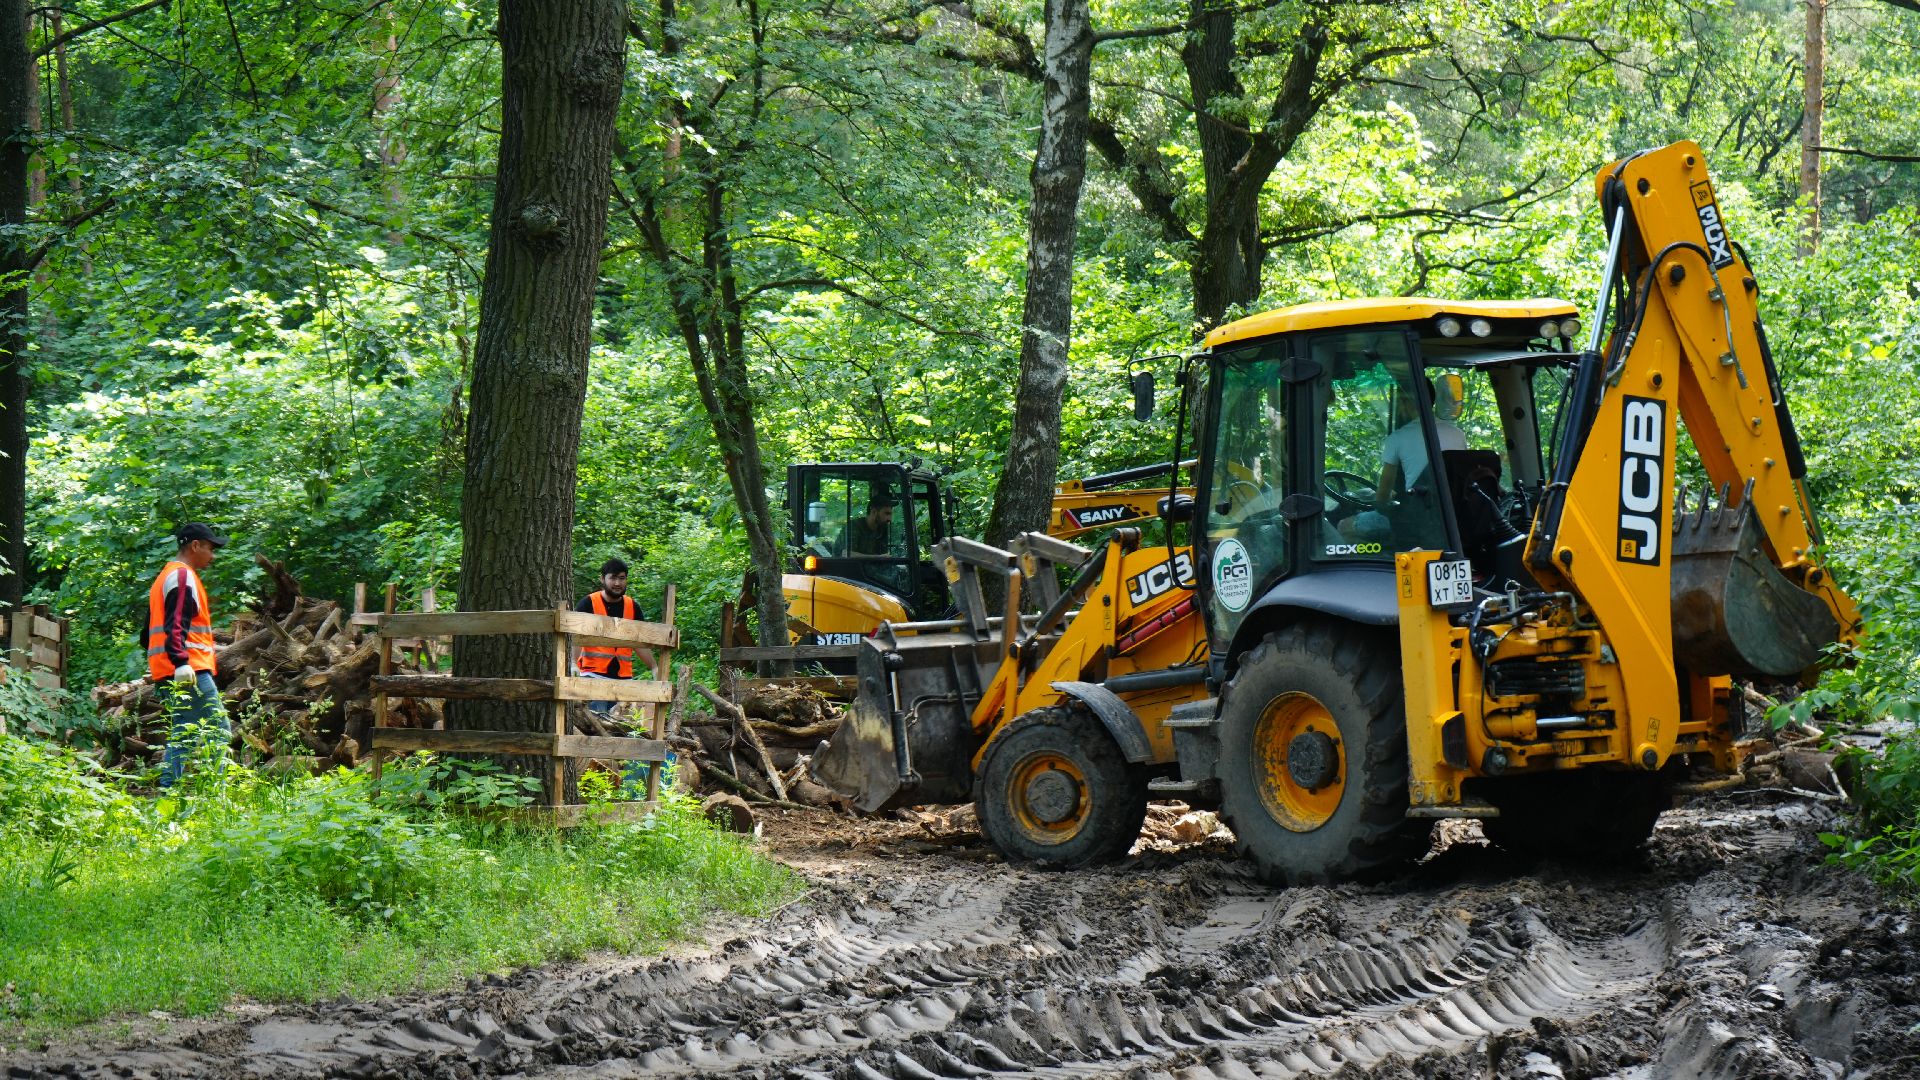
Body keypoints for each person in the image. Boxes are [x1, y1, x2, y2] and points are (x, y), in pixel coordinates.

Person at [149, 522, 230, 787]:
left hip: (169, 669)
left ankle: (169, 793)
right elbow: (176, 624)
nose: (213, 555)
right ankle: (216, 798)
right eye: (210, 548)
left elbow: (146, 632)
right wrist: (181, 661)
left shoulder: (165, 576)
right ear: (195, 545)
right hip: (188, 670)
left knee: (183, 733)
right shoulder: (183, 577)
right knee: (218, 730)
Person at [573, 557, 653, 721]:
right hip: (593, 677)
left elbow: (639, 642)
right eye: (613, 578)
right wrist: (573, 663)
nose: (617, 583)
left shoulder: (632, 606)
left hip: (623, 679)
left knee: (624, 728)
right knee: (595, 725)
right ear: (603, 579)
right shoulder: (588, 603)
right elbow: (575, 637)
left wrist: (654, 667)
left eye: (622, 578)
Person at [839, 487, 898, 556]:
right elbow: (846, 554)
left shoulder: (881, 528)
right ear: (873, 511)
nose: (890, 519)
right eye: (887, 513)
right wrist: (877, 558)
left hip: (869, 566)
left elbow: (882, 555)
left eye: (890, 514)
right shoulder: (854, 526)